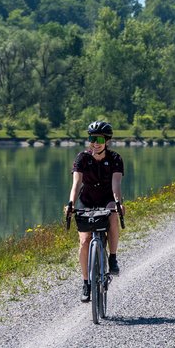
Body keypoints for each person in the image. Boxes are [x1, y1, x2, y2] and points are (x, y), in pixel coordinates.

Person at [65, 121, 126, 302]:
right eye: (92, 138)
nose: (95, 143)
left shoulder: (115, 159)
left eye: (99, 139)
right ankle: (86, 283)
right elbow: (76, 183)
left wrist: (117, 202)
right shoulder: (82, 158)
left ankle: (113, 257)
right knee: (84, 242)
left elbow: (116, 184)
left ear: (107, 140)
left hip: (107, 198)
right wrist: (70, 203)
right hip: (87, 200)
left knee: (112, 215)